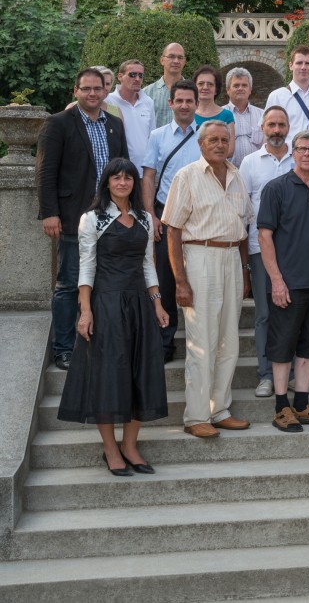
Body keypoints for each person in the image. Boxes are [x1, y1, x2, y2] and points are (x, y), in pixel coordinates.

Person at [57, 159, 169, 474]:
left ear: (134, 183)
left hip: (139, 306)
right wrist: (86, 309)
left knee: (139, 374)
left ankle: (131, 447)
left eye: (128, 178)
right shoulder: (91, 219)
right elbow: (86, 265)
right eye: (116, 178)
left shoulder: (145, 218)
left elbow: (148, 265)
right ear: (107, 182)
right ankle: (111, 450)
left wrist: (158, 304)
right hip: (105, 304)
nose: (122, 183)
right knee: (107, 376)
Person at [162, 120, 254, 438]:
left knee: (229, 340)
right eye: (212, 139)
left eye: (224, 139)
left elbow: (243, 228)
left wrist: (244, 271)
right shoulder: (186, 176)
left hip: (231, 257)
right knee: (202, 341)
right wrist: (180, 281)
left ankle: (220, 409)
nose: (218, 144)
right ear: (201, 144)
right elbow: (172, 230)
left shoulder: (237, 176)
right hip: (200, 257)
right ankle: (197, 415)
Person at [36, 68, 129, 370]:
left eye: (97, 89)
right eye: (86, 89)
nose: (92, 94)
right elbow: (46, 171)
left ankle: (100, 342)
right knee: (69, 284)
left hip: (109, 218)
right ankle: (63, 348)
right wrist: (50, 212)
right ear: (75, 91)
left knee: (105, 283)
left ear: (105, 91)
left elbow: (123, 170)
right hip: (73, 217)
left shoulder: (114, 125)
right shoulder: (59, 123)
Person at [257, 130, 309, 433]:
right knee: (282, 346)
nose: (307, 153)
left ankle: (302, 403)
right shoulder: (275, 189)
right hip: (287, 284)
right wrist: (276, 281)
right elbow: (264, 236)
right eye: (302, 148)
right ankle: (282, 406)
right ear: (293, 152)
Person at [141, 79, 202, 363]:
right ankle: (165, 343)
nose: (184, 105)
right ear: (171, 103)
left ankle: (198, 342)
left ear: (196, 103)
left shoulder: (206, 135)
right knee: (166, 279)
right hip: (166, 215)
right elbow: (149, 177)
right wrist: (150, 214)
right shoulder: (158, 136)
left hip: (200, 217)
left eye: (189, 101)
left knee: (198, 279)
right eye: (179, 100)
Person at [238, 106, 295, 398]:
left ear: (288, 127)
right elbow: (244, 212)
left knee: (292, 312)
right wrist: (246, 259)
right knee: (263, 315)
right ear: (262, 128)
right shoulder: (249, 163)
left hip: (294, 251)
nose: (276, 130)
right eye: (271, 124)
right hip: (260, 249)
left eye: (281, 124)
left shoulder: (299, 159)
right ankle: (265, 375)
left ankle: (291, 373)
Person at [265, 46, 309, 145]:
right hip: (287, 156)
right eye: (299, 63)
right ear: (291, 66)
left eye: (307, 63)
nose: (303, 67)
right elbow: (267, 132)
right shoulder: (277, 97)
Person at [105, 59, 155, 176]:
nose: (137, 79)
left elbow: (152, 137)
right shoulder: (108, 101)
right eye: (132, 74)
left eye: (140, 75)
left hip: (144, 171)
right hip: (117, 172)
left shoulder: (148, 102)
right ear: (120, 76)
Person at [193, 65, 235, 158]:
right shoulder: (188, 115)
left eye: (210, 84)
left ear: (216, 90)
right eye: (200, 84)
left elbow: (230, 150)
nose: (205, 87)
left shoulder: (227, 115)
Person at [225, 67, 264, 166]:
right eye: (236, 85)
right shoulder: (220, 115)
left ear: (250, 90)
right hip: (228, 173)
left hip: (256, 172)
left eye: (244, 85)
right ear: (228, 90)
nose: (240, 88)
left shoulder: (262, 115)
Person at [144, 43, 188, 127]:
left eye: (180, 57)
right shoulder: (147, 93)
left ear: (184, 62)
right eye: (171, 56)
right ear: (162, 60)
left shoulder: (193, 92)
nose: (176, 61)